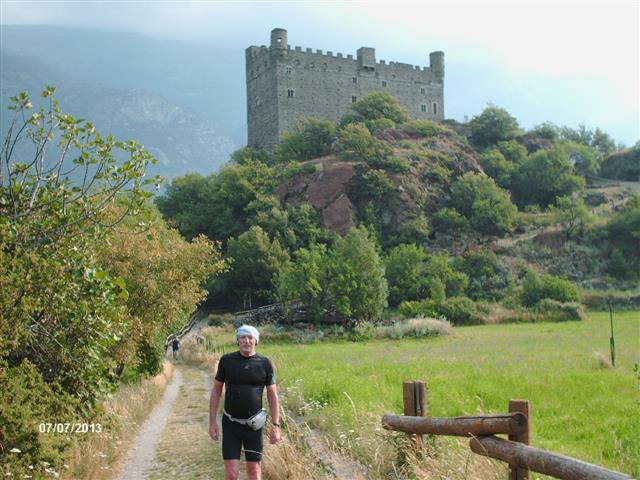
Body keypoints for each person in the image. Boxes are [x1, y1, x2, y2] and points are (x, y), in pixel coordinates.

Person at [209, 325, 281, 480]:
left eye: (250, 338)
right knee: (232, 474)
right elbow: (216, 391)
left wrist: (276, 426)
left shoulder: (265, 363)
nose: (246, 341)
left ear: (256, 341)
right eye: (242, 337)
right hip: (231, 424)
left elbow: (273, 395)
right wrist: (212, 422)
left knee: (254, 472)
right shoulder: (227, 361)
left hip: (254, 426)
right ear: (238, 340)